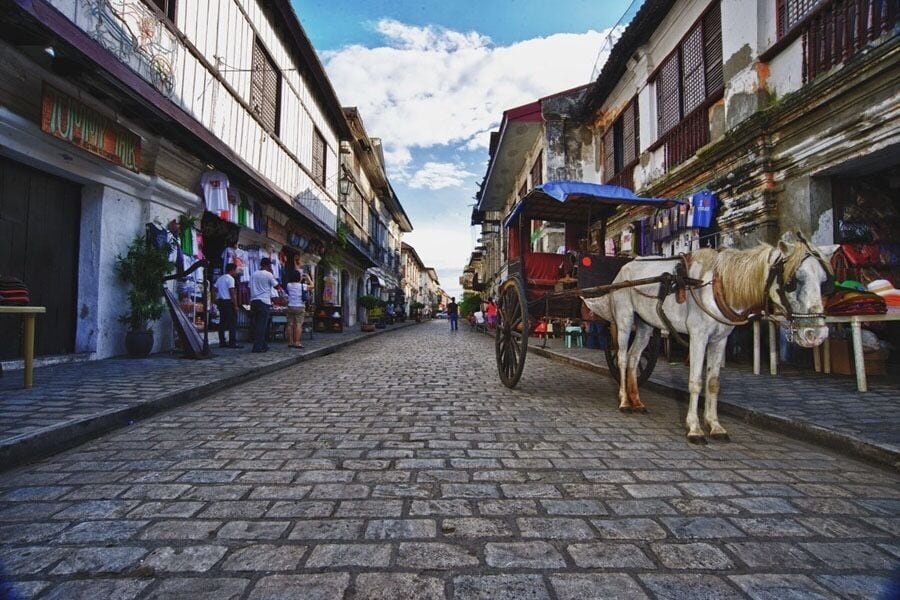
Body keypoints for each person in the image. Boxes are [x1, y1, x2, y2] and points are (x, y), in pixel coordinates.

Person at [249, 257, 280, 353]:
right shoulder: (268, 274)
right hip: (264, 301)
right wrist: (272, 274)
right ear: (268, 265)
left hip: (254, 301)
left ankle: (263, 344)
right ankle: (257, 346)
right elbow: (276, 286)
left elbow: (250, 286)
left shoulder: (253, 274)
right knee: (262, 325)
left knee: (256, 324)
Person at [214, 263, 242, 348]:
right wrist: (235, 305)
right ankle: (232, 342)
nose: (236, 272)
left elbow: (213, 288)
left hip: (221, 301)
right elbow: (232, 292)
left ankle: (222, 341)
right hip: (228, 302)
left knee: (222, 322)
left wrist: (214, 299)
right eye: (235, 270)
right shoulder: (230, 279)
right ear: (232, 270)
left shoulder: (220, 278)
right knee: (232, 323)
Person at [285, 270, 313, 349]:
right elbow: (312, 286)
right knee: (298, 324)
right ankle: (297, 342)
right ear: (299, 277)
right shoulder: (302, 286)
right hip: (300, 306)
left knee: (290, 324)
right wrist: (308, 278)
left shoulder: (288, 285)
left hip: (290, 306)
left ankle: (290, 342)